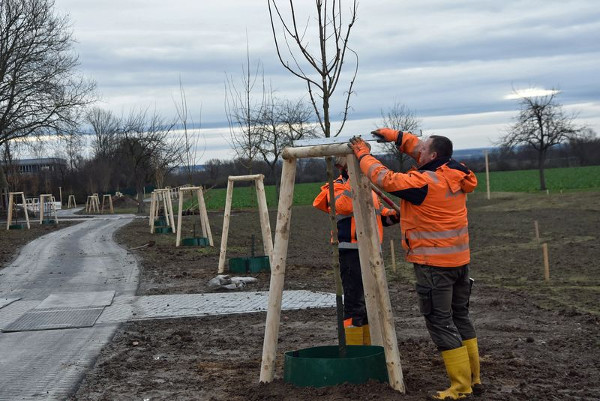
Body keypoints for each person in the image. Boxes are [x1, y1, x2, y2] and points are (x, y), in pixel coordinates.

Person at [349, 129, 482, 400]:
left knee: (439, 321)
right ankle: (474, 379)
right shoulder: (456, 172)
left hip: (433, 264)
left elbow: (384, 178)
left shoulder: (423, 182)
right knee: (460, 317)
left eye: (420, 149)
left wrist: (363, 154)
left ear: (432, 155)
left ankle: (460, 387)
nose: (416, 151)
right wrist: (397, 137)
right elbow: (423, 152)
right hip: (459, 261)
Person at [313, 155, 398, 345]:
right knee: (354, 304)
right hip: (350, 252)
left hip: (372, 251)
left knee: (370, 304)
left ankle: (367, 350)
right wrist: (355, 181)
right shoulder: (335, 187)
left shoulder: (367, 187)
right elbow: (343, 206)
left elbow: (380, 214)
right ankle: (354, 351)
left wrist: (394, 215)